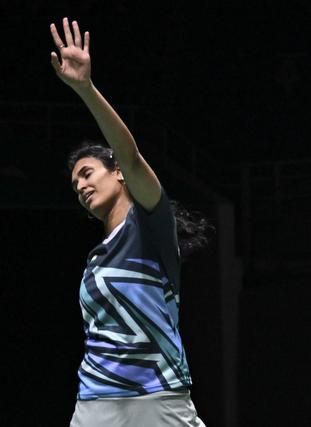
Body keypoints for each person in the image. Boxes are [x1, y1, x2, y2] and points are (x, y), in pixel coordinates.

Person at [50, 18, 208, 426]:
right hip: (96, 400)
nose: (81, 186)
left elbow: (132, 156)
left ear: (117, 172)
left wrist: (85, 89)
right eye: (75, 185)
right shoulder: (96, 259)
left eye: (87, 174)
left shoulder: (150, 223)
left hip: (157, 394)